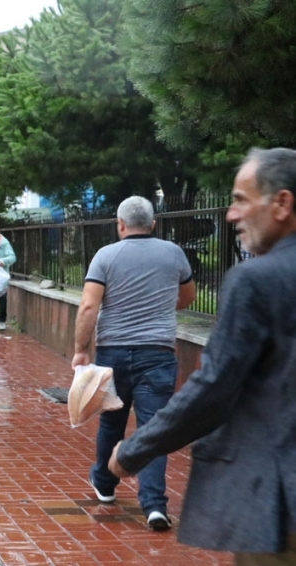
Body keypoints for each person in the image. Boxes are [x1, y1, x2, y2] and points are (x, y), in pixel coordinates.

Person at [108, 148, 296, 562]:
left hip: (278, 500)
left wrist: (133, 450)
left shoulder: (257, 280)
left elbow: (214, 387)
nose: (231, 215)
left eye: (242, 200)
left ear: (282, 203)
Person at [71, 195, 196, 531]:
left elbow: (88, 307)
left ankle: (105, 484)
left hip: (111, 353)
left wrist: (81, 350)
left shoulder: (105, 256)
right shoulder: (173, 253)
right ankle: (154, 506)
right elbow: (186, 297)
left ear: (120, 224)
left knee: (112, 424)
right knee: (153, 430)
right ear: (153, 223)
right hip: (157, 353)